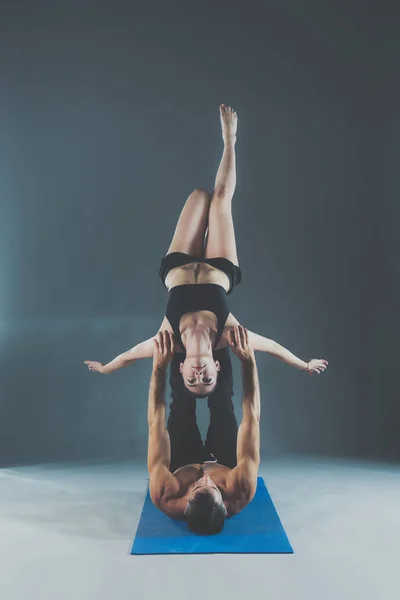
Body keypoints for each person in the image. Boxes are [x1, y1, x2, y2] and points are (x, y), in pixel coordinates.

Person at [84, 105, 328, 395]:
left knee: (200, 195)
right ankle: (230, 139)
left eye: (191, 380)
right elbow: (273, 346)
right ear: (217, 367)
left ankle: (217, 185)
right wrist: (303, 364)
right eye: (207, 380)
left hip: (177, 264)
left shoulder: (167, 341)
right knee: (221, 198)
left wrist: (105, 367)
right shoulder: (229, 336)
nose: (199, 376)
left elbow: (127, 356)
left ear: (181, 369)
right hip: (221, 267)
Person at [148, 326, 260, 535]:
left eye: (199, 487)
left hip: (182, 462)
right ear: (225, 506)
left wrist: (159, 368)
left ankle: (186, 341)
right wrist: (248, 361)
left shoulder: (165, 493)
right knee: (222, 401)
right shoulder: (241, 489)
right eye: (213, 488)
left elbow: (156, 420)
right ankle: (215, 336)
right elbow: (252, 416)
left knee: (181, 403)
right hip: (224, 460)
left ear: (186, 501)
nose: (206, 479)